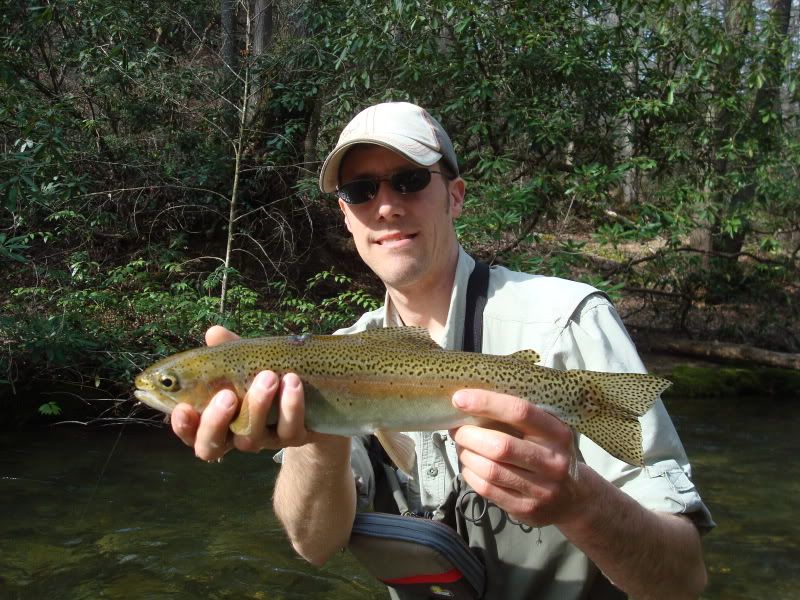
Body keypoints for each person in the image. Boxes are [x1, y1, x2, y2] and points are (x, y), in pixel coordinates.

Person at [170, 101, 713, 599]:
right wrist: (320, 440)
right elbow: (313, 546)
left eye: (408, 181)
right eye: (360, 191)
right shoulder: (335, 355)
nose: (385, 207)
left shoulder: (566, 322)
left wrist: (582, 502)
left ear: (455, 196)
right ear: (344, 215)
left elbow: (684, 580)